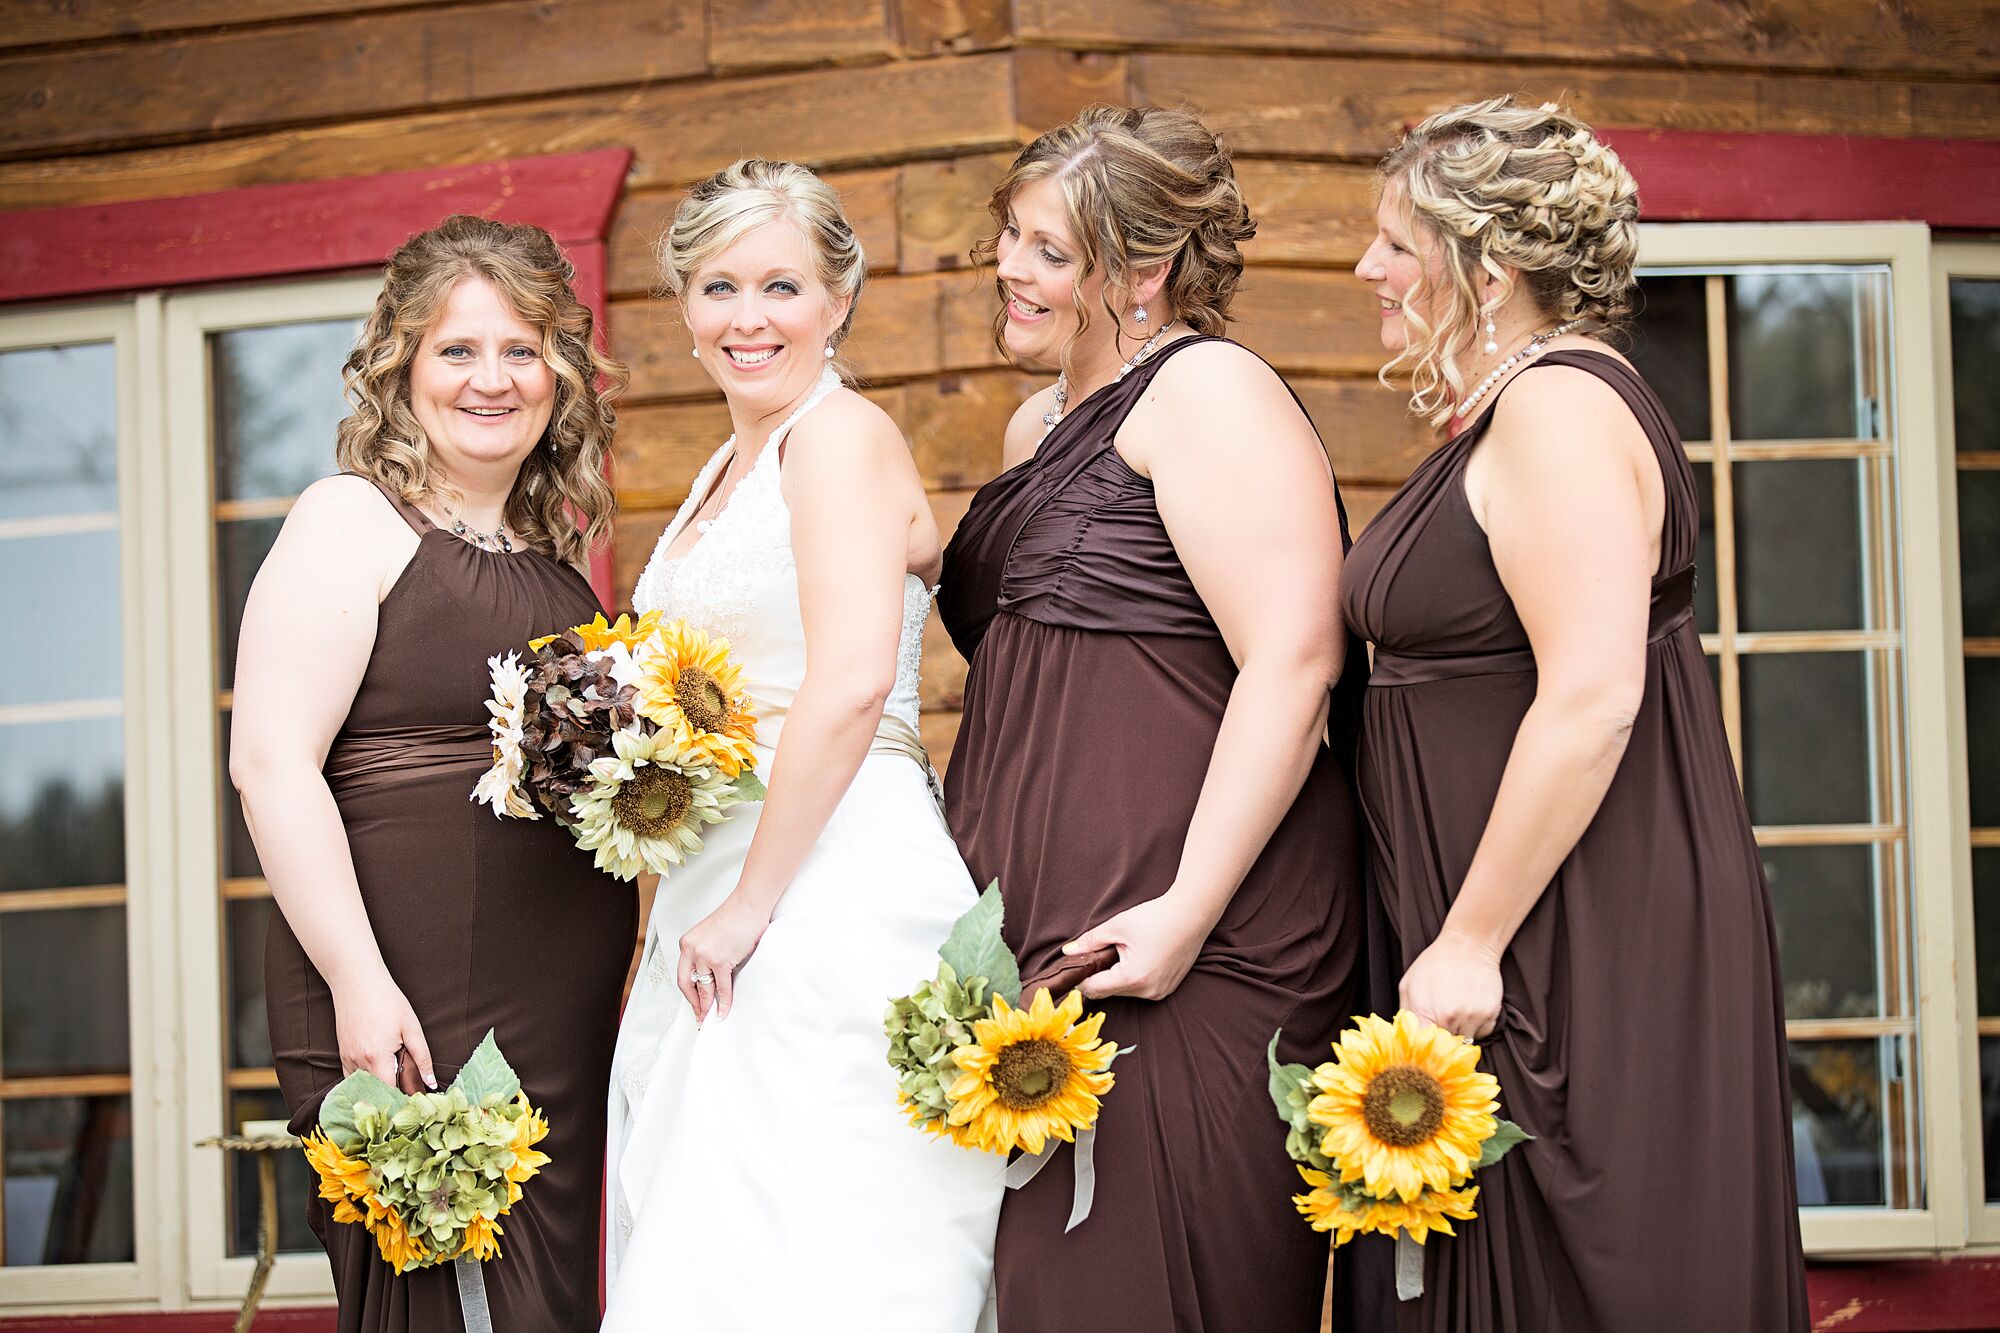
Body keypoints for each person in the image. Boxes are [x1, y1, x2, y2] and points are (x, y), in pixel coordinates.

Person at [1340, 96, 1809, 1331]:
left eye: (1394, 243)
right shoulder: (1521, 408)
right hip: (1506, 924)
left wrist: (1470, 939)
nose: (1365, 269)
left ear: (1482, 270)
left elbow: (1595, 694)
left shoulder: (1556, 410)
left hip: (1561, 932)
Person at [937, 106, 1370, 1333]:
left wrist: (1184, 909)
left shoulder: (1210, 392)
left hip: (1196, 941)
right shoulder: (1038, 428)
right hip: (1050, 947)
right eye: (1010, 236)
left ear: (1141, 270)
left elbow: (1292, 661)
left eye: (1049, 250)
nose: (1011, 269)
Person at [603, 159, 1003, 1332]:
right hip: (717, 878)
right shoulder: (726, 467)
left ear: (838, 297)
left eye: (780, 285)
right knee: (714, 1234)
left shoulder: (834, 437)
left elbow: (849, 681)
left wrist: (748, 906)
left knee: (824, 1233)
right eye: (718, 287)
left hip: (821, 880)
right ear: (683, 308)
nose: (748, 317)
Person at [234, 214, 636, 1332]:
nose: (492, 380)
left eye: (521, 350)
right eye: (458, 350)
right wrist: (360, 984)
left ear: (560, 372)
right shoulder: (348, 521)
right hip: (402, 993)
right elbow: (270, 764)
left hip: (556, 1012)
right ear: (400, 367)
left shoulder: (560, 573)